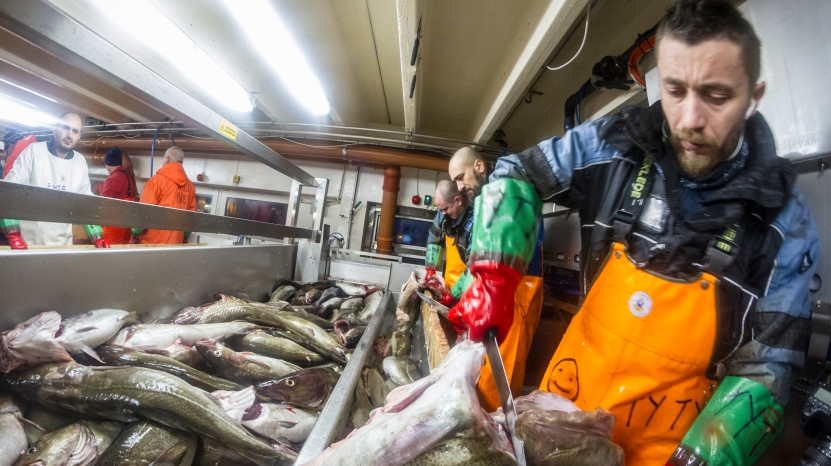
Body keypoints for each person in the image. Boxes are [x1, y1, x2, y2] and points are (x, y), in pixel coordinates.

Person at [448, 1, 820, 464]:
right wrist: (492, 274)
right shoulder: (617, 144)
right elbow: (516, 175)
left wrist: (703, 458)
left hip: (666, 452)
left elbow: (766, 371)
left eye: (716, 95)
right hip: (554, 423)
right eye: (674, 90)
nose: (689, 119)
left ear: (754, 95)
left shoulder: (785, 222)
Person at [447, 146, 545, 412]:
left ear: (479, 166)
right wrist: (464, 294)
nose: (458, 186)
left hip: (518, 290)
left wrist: (490, 289)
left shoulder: (508, 191)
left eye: (460, 176)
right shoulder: (486, 201)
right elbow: (478, 260)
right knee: (485, 370)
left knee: (502, 371)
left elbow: (511, 250)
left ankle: (497, 434)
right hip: (500, 291)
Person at [0, 112, 110, 249]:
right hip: (29, 245)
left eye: (74, 131)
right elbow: (7, 194)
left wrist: (97, 236)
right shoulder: (33, 152)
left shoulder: (80, 162)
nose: (69, 134)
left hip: (63, 247)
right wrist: (13, 234)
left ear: (79, 136)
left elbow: (85, 205)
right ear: (54, 128)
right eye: (65, 128)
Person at [129, 146, 196, 244]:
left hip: (152, 246)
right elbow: (190, 219)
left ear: (167, 159)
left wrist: (135, 233)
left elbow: (144, 213)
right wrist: (184, 237)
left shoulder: (156, 181)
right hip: (175, 246)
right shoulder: (190, 187)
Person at [425, 180, 474, 303]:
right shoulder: (444, 214)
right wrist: (430, 268)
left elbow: (473, 267)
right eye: (440, 209)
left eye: (446, 208)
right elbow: (434, 235)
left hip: (468, 288)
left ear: (458, 200)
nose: (443, 213)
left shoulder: (475, 222)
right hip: (447, 284)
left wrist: (453, 295)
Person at [99, 146, 138, 244]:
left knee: (109, 257)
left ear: (108, 164)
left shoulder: (111, 179)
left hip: (113, 230)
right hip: (126, 227)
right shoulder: (128, 176)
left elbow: (102, 205)